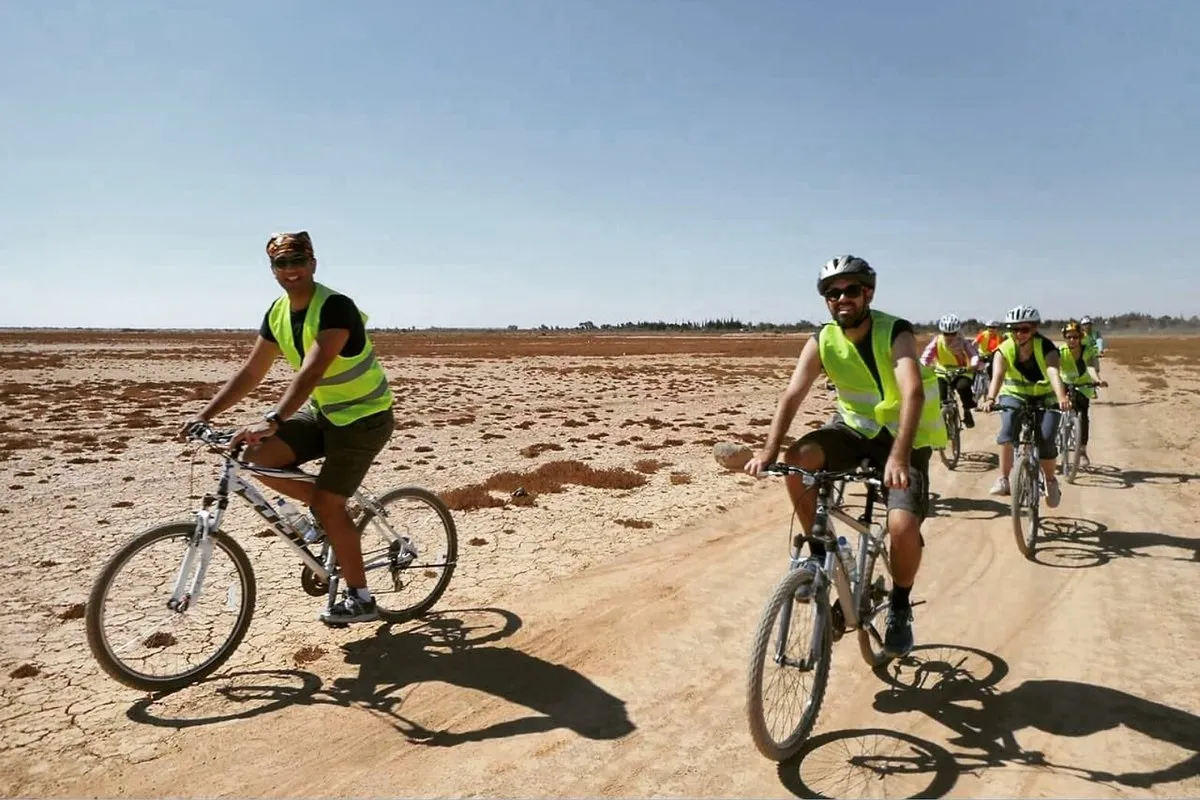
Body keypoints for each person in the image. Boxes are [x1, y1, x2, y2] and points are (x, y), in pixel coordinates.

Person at [180, 231, 396, 625]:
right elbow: (251, 371)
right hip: (324, 412)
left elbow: (313, 369)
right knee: (255, 455)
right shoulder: (278, 313)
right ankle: (329, 509)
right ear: (272, 270)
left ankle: (361, 598)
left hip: (364, 417)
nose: (291, 270)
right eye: (282, 264)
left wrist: (272, 419)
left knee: (328, 504)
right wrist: (204, 416)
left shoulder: (335, 307)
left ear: (313, 264)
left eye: (298, 261)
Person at [744, 255, 948, 658]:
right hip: (854, 430)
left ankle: (901, 607)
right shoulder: (822, 339)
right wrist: (769, 451)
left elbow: (912, 392)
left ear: (867, 293)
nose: (842, 298)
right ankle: (818, 551)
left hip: (904, 438)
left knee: (903, 525)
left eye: (851, 290)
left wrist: (900, 458)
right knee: (798, 458)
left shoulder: (895, 332)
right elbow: (793, 393)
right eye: (832, 293)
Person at [978, 305, 1070, 505]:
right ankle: (1004, 479)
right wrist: (991, 398)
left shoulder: (1047, 348)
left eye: (1024, 329)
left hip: (1045, 397)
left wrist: (1062, 397)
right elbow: (998, 376)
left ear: (1035, 328)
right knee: (1008, 428)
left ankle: (1051, 481)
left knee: (1046, 439)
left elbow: (1054, 373)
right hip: (1015, 395)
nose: (1019, 334)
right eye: (1014, 329)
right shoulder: (1004, 349)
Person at [919, 313, 983, 428]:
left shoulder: (963, 342)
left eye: (952, 333)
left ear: (957, 332)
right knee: (940, 395)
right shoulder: (937, 341)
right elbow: (927, 355)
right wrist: (923, 366)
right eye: (946, 333)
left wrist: (973, 365)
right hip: (942, 372)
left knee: (963, 387)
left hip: (961, 371)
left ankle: (967, 410)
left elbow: (973, 354)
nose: (949, 336)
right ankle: (942, 423)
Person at [1059, 320, 1107, 466]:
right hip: (1064, 384)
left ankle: (1082, 451)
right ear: (1065, 338)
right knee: (1053, 412)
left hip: (1082, 385)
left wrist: (1098, 380)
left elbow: (1091, 367)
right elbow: (1052, 369)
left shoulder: (1086, 350)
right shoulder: (1060, 351)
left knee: (1083, 416)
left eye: (1075, 337)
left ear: (1080, 337)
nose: (1072, 340)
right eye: (1069, 337)